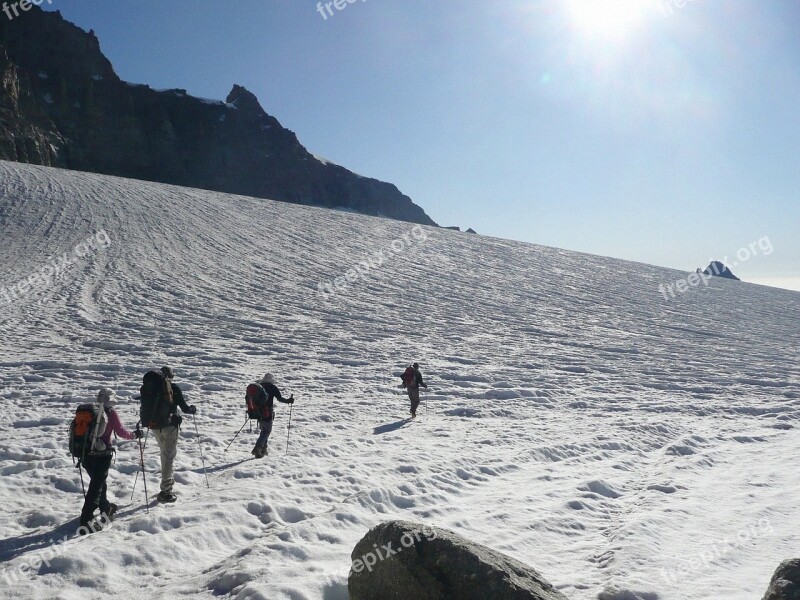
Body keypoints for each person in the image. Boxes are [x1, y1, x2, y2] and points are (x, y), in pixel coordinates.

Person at [79, 388, 142, 533]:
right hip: (102, 454)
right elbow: (120, 431)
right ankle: (85, 521)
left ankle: (105, 508)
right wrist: (134, 435)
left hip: (86, 454)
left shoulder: (89, 411)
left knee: (99, 482)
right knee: (96, 487)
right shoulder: (110, 413)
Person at [150, 366, 196, 503]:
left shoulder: (152, 388)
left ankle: (167, 482)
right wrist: (192, 409)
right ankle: (166, 490)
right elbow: (185, 408)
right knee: (168, 456)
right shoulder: (173, 388)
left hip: (154, 426)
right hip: (169, 426)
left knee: (164, 453)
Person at [251, 373, 294, 458]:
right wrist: (289, 401)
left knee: (264, 430)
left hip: (258, 412)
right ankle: (258, 448)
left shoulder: (259, 387)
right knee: (266, 431)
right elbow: (280, 399)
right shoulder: (272, 387)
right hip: (267, 413)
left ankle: (263, 449)